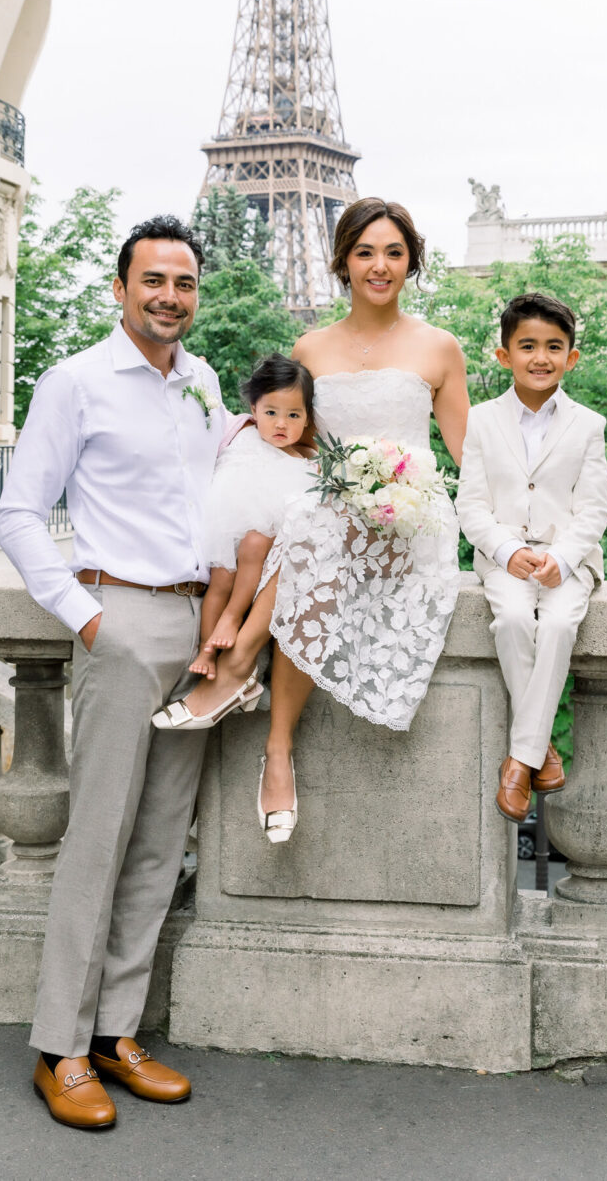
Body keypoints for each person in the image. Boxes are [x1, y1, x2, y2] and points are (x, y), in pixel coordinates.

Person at [0, 215, 226, 1132]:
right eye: (155, 280)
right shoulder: (77, 382)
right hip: (119, 617)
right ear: (122, 289)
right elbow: (16, 511)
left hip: (198, 626)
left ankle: (115, 1034)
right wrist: (87, 618)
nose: (171, 296)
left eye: (185, 282)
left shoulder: (203, 386)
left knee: (163, 840)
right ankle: (59, 1047)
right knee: (99, 838)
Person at [163, 197, 470, 843]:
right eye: (365, 252)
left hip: (409, 522)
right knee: (308, 520)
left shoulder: (439, 347)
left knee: (310, 527)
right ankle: (278, 755)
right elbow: (294, 442)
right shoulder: (311, 345)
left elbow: (469, 456)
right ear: (342, 261)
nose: (379, 266)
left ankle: (237, 666)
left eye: (393, 252)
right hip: (331, 514)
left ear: (412, 260)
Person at [456, 292, 607, 823]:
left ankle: (519, 760)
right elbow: (470, 504)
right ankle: (539, 749)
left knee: (562, 622)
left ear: (571, 357)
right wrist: (506, 550)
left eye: (553, 347)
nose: (540, 357)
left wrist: (563, 559)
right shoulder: (480, 420)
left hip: (568, 559)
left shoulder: (589, 424)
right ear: (504, 356)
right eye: (527, 346)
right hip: (502, 557)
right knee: (516, 619)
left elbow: (594, 509)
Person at [152, 354, 315, 735]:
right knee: (220, 580)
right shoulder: (240, 432)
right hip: (224, 528)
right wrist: (193, 368)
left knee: (256, 546)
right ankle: (208, 653)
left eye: (294, 415)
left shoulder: (306, 463)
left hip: (260, 541)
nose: (281, 424)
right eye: (271, 412)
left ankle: (230, 623)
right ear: (254, 409)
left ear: (307, 418)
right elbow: (205, 410)